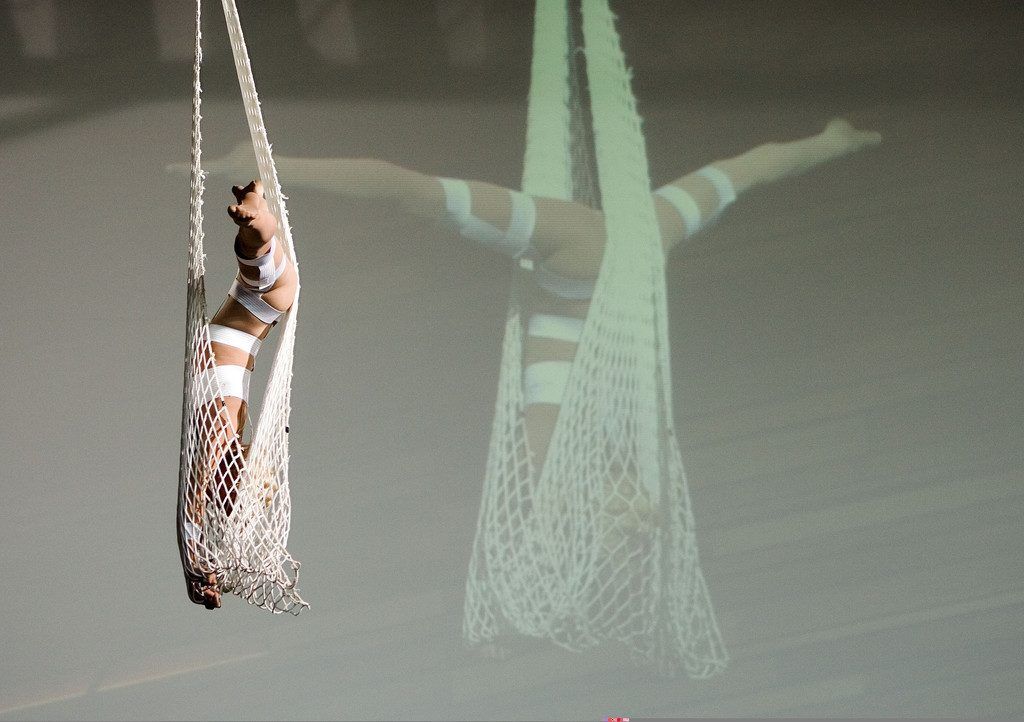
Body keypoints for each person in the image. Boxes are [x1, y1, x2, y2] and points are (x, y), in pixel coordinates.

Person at [185, 179, 297, 609]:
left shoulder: (214, 435)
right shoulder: (224, 429)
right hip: (254, 312)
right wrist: (195, 559)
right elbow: (195, 497)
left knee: (257, 258)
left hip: (255, 309)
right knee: (258, 253)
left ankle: (255, 205)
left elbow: (195, 492)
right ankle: (256, 215)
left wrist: (197, 561)